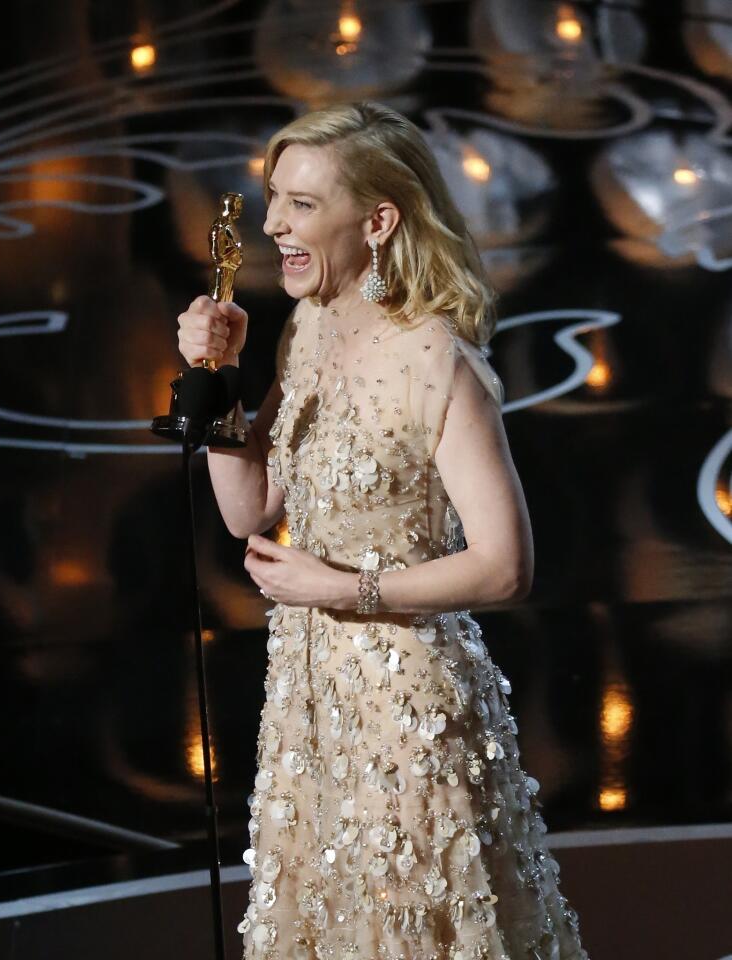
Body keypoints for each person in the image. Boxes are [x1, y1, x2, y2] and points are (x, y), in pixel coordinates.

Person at [177, 101, 589, 960]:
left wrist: (343, 590)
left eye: (302, 205)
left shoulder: (436, 358)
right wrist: (216, 377)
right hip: (306, 713)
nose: (274, 224)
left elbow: (506, 568)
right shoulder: (307, 329)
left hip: (408, 716)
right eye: (273, 197)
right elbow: (248, 509)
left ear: (379, 219)